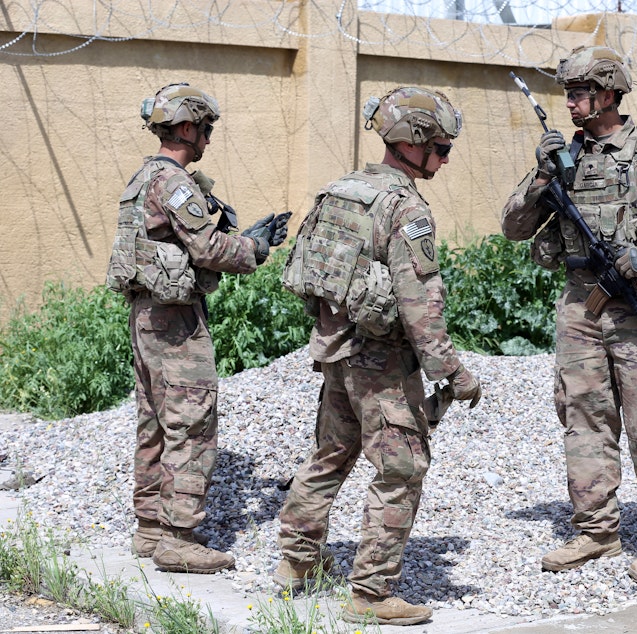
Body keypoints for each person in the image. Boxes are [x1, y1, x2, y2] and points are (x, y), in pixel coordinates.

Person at [501, 47, 637, 584]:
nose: (570, 103)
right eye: (568, 93)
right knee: (583, 418)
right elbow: (513, 226)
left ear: (606, 94)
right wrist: (541, 178)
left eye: (579, 93)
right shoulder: (565, 158)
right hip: (579, 302)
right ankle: (596, 530)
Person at [276, 86, 482, 625]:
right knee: (401, 467)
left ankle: (296, 564)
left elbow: (306, 275)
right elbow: (420, 308)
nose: (443, 158)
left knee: (330, 455)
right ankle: (370, 594)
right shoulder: (405, 207)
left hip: (336, 349)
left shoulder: (341, 191)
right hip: (381, 362)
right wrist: (455, 374)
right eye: (439, 148)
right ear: (412, 142)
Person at [106, 82, 289, 573]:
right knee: (191, 423)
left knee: (154, 421)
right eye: (205, 128)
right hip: (175, 324)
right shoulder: (174, 182)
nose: (208, 137)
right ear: (186, 127)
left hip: (147, 316)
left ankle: (149, 529)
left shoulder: (142, 178)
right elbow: (208, 250)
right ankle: (179, 539)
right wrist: (254, 247)